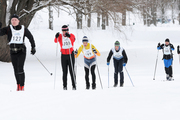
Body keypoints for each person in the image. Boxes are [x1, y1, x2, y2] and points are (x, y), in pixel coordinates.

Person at [0, 14, 36, 91]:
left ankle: (22, 86)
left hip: (21, 51)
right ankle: (18, 85)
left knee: (20, 68)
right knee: (15, 68)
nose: (14, 21)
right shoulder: (8, 29)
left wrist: (33, 47)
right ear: (11, 21)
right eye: (12, 20)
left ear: (18, 21)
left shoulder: (23, 29)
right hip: (13, 51)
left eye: (15, 20)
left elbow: (31, 37)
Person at [54, 25, 76, 90]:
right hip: (63, 55)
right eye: (63, 31)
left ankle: (74, 85)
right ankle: (64, 86)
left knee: (71, 71)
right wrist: (56, 36)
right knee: (64, 71)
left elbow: (73, 40)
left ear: (67, 30)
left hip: (70, 54)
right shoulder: (60, 36)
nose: (64, 32)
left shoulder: (71, 35)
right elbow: (55, 41)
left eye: (65, 31)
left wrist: (69, 36)